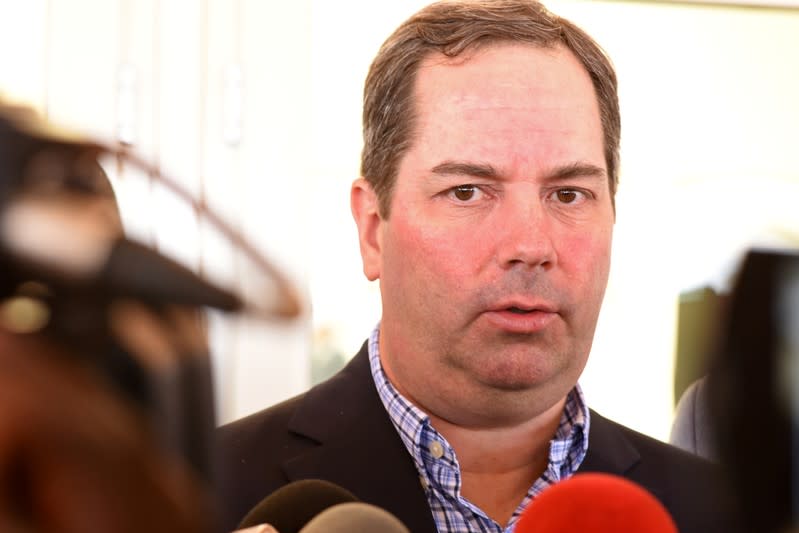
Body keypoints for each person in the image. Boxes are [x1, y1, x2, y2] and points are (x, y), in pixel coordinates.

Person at [214, 2, 737, 532]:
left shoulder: (725, 513)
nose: (531, 245)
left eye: (569, 194)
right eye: (466, 191)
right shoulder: (194, 493)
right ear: (373, 228)